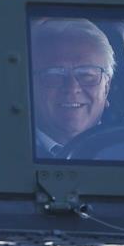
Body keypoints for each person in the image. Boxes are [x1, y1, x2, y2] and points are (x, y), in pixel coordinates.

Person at [30, 18, 116, 157]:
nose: (72, 87)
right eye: (54, 74)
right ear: (28, 84)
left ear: (106, 87)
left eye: (86, 75)